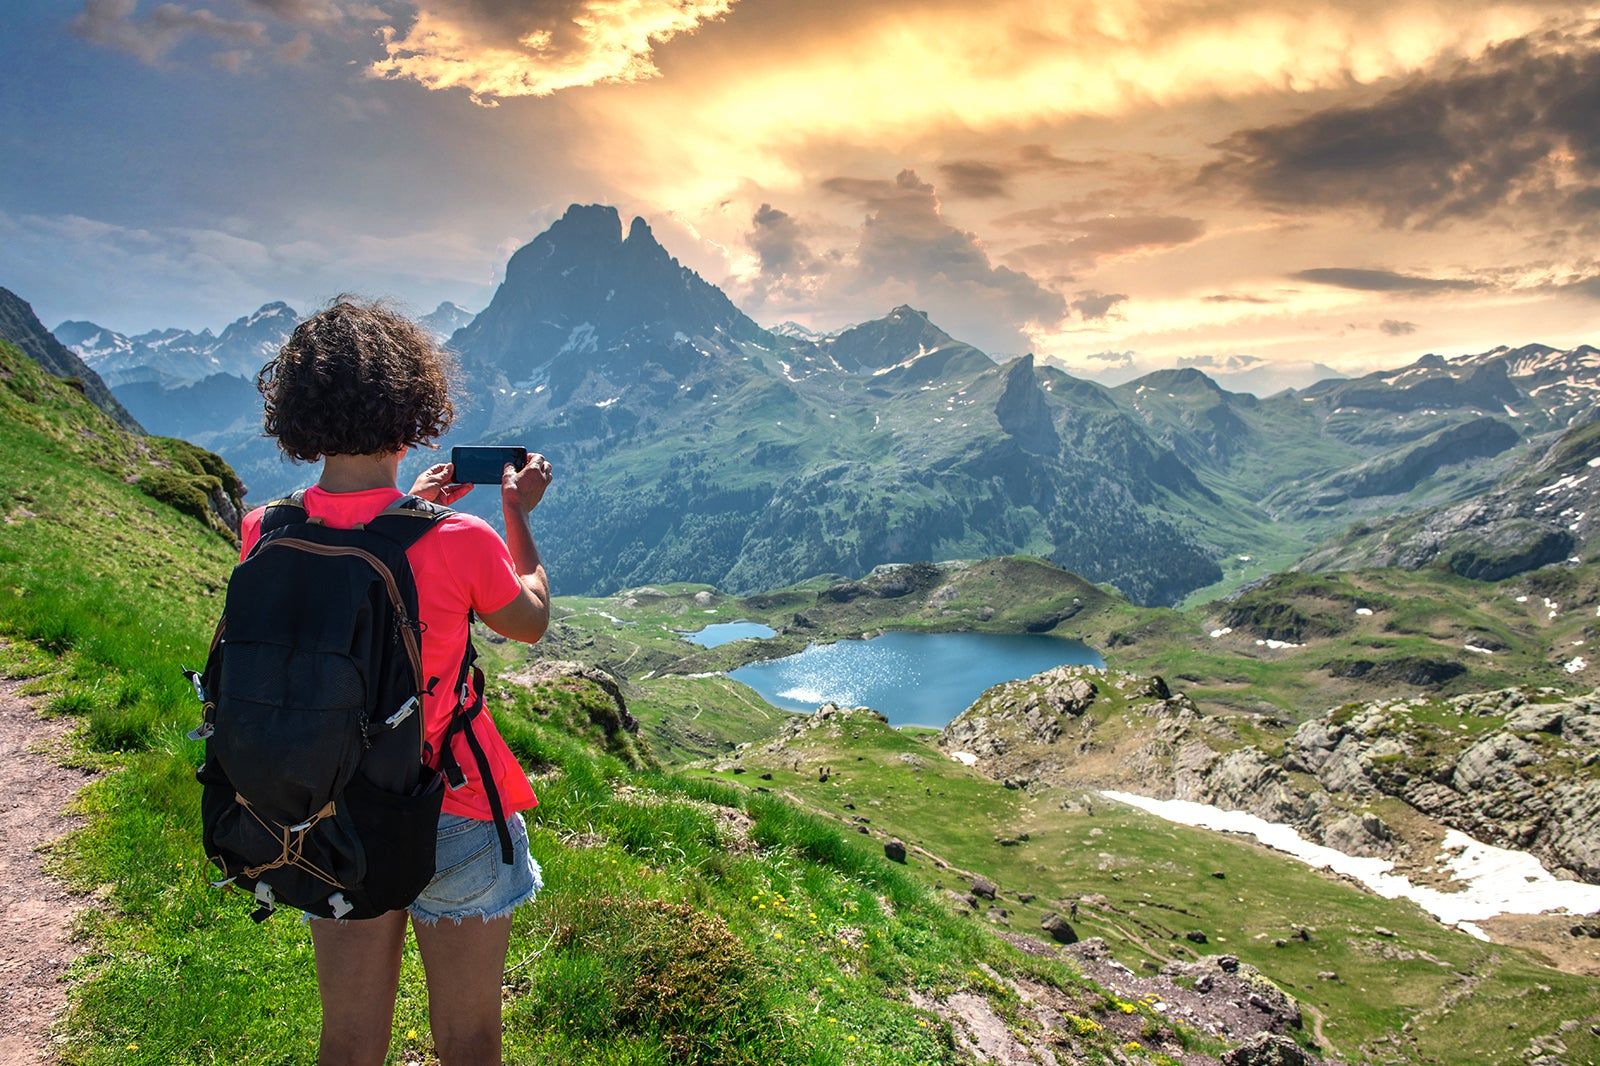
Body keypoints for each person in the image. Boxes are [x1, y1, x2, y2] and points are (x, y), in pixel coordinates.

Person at [243, 297, 553, 1065]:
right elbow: (530, 619)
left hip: (326, 808)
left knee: (347, 1041)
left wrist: (411, 506)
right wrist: (516, 515)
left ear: (298, 413)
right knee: (470, 1037)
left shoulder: (264, 528)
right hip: (450, 805)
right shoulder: (460, 538)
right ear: (413, 403)